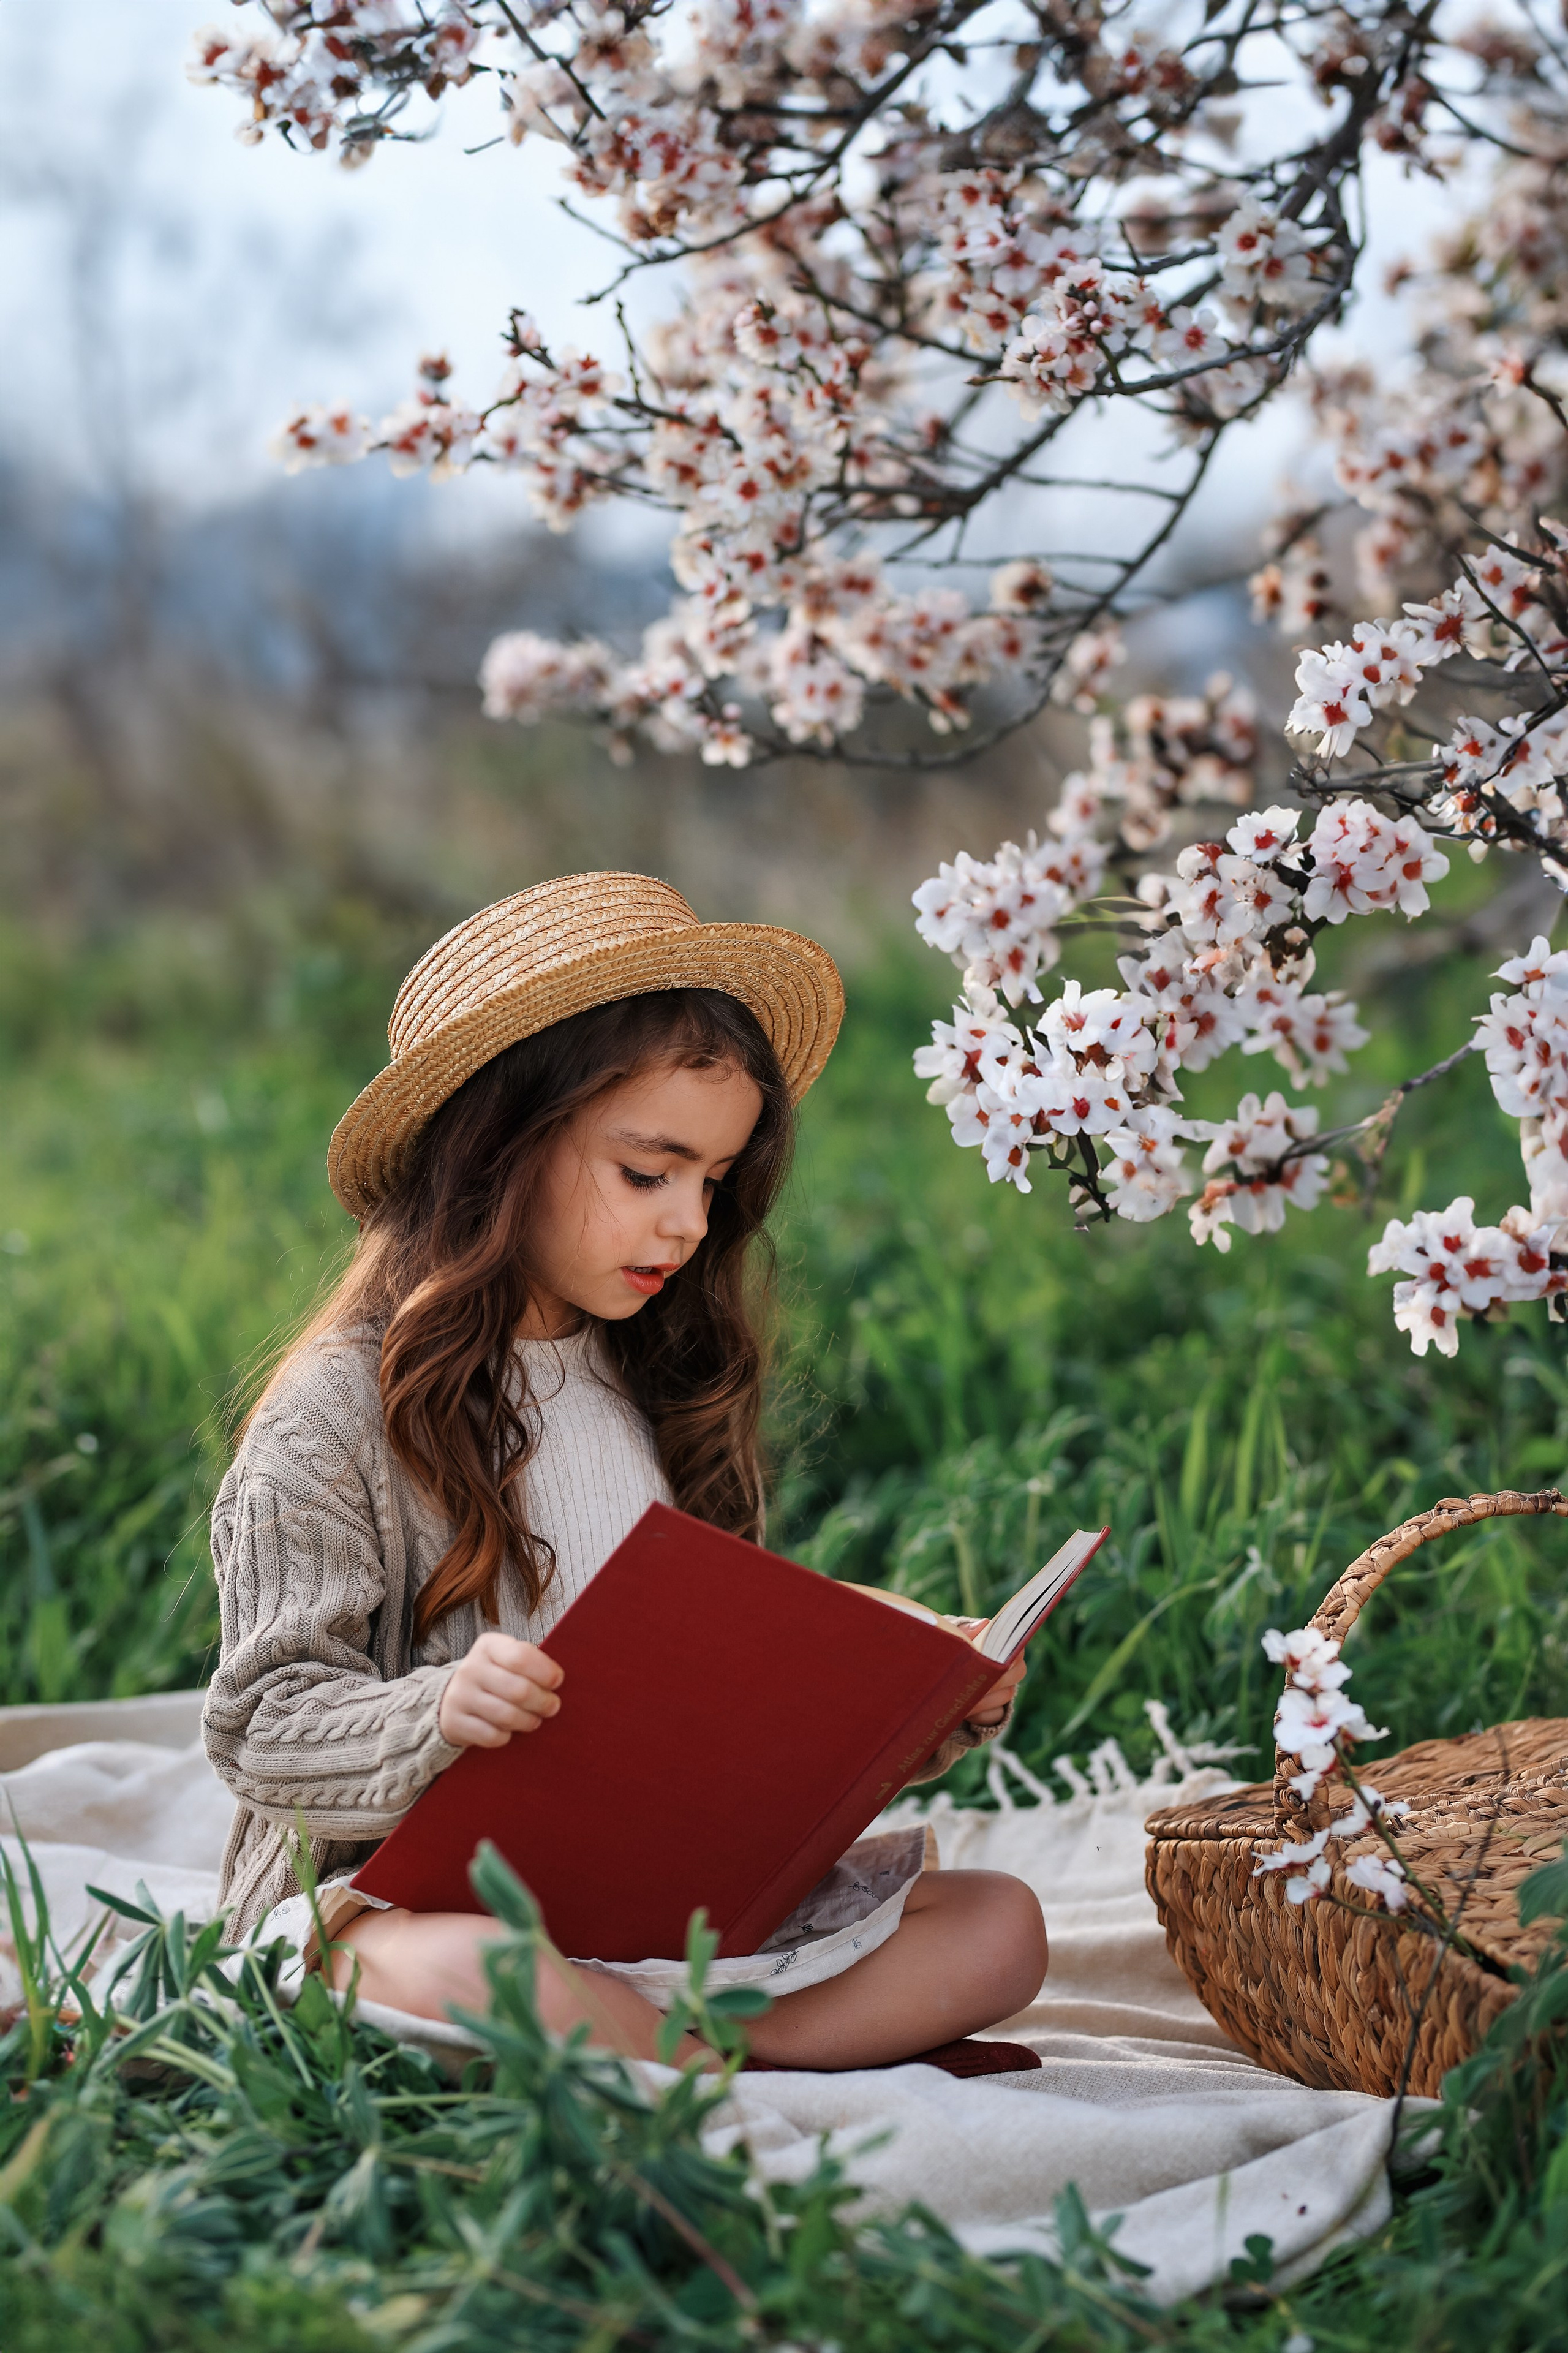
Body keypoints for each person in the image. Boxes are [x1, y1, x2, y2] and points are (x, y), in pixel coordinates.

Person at [203, 872, 1047, 2069]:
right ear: (499, 1148)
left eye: (713, 1182)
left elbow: (697, 1678)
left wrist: (912, 1700)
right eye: (648, 1174)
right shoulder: (337, 1412)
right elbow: (262, 1730)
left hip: (645, 1904)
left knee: (998, 1926)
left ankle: (644, 2043)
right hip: (406, 1901)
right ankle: (709, 2052)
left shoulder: (652, 1374)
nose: (690, 1224)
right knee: (461, 1971)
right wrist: (435, 1713)